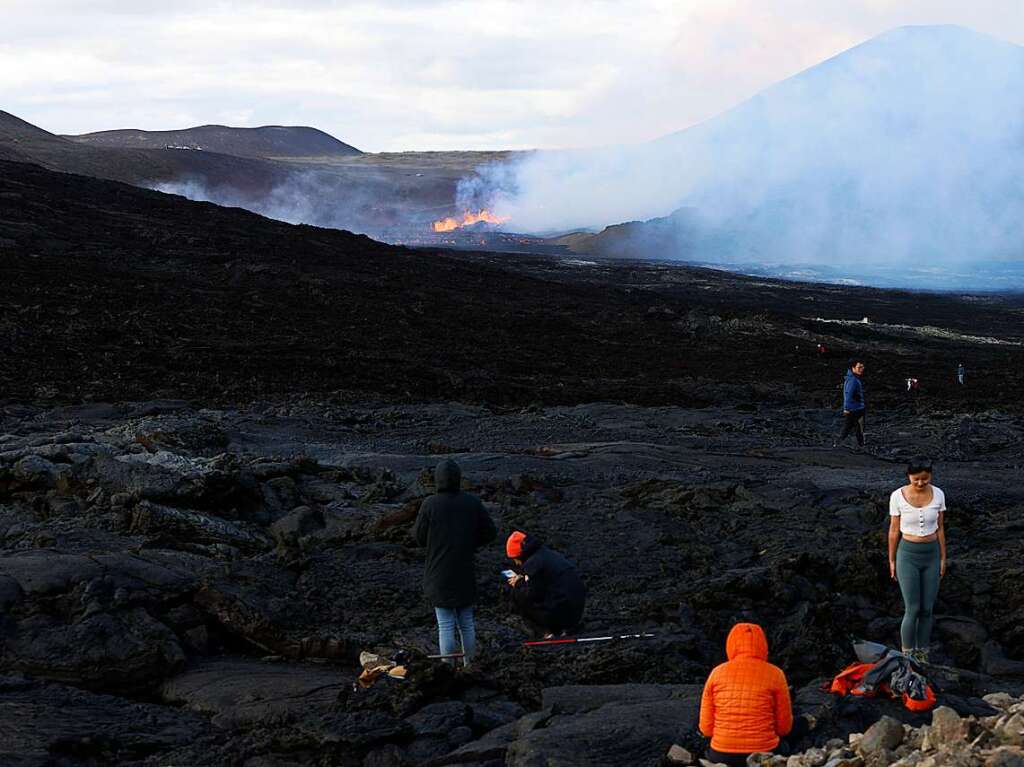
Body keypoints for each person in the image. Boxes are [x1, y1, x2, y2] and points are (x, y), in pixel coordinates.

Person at [413, 459, 496, 666]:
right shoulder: (471, 502)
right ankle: (470, 666)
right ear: (458, 478)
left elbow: (418, 537)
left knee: (445, 625)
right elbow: (490, 533)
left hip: (438, 573)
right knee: (466, 624)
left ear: (437, 480)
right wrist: (469, 542)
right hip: (465, 570)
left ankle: (447, 668)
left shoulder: (430, 504)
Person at [699, 623, 793, 767]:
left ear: (731, 645)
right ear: (763, 645)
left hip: (721, 754)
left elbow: (706, 729)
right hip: (764, 752)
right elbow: (784, 728)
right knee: (791, 738)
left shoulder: (716, 673)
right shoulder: (776, 674)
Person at [888, 457, 946, 664]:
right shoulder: (897, 496)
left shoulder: (938, 493)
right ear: (908, 476)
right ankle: (907, 655)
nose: (921, 483)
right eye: (916, 479)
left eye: (925, 478)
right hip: (907, 554)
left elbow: (940, 528)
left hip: (931, 554)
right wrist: (892, 560)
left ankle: (922, 655)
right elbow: (894, 530)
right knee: (912, 608)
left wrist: (942, 558)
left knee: (926, 609)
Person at [504, 530, 586, 638]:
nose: (516, 563)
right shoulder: (546, 554)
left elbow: (532, 594)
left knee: (518, 596)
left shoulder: (534, 564)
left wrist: (518, 583)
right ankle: (561, 628)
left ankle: (546, 632)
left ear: (520, 555)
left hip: (563, 613)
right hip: (576, 609)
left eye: (515, 559)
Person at [834, 359, 866, 448]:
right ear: (853, 368)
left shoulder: (851, 378)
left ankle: (837, 444)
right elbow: (848, 395)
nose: (861, 369)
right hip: (857, 410)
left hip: (854, 409)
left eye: (862, 367)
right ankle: (861, 447)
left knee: (849, 429)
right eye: (859, 367)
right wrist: (846, 409)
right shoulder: (853, 381)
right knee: (858, 430)